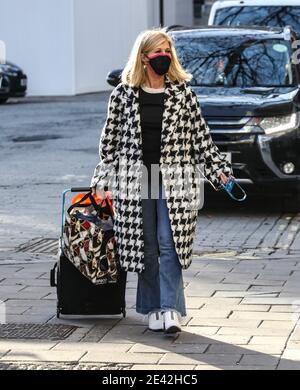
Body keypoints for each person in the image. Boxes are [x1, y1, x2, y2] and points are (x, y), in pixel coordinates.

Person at [91, 28, 233, 334]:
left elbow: (201, 139)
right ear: (143, 57)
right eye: (157, 52)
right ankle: (152, 308)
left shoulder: (183, 93)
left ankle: (170, 308)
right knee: (147, 246)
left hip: (176, 180)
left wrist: (219, 169)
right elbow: (110, 143)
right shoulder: (123, 94)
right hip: (135, 181)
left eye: (168, 51)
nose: (163, 57)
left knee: (171, 244)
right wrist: (102, 179)